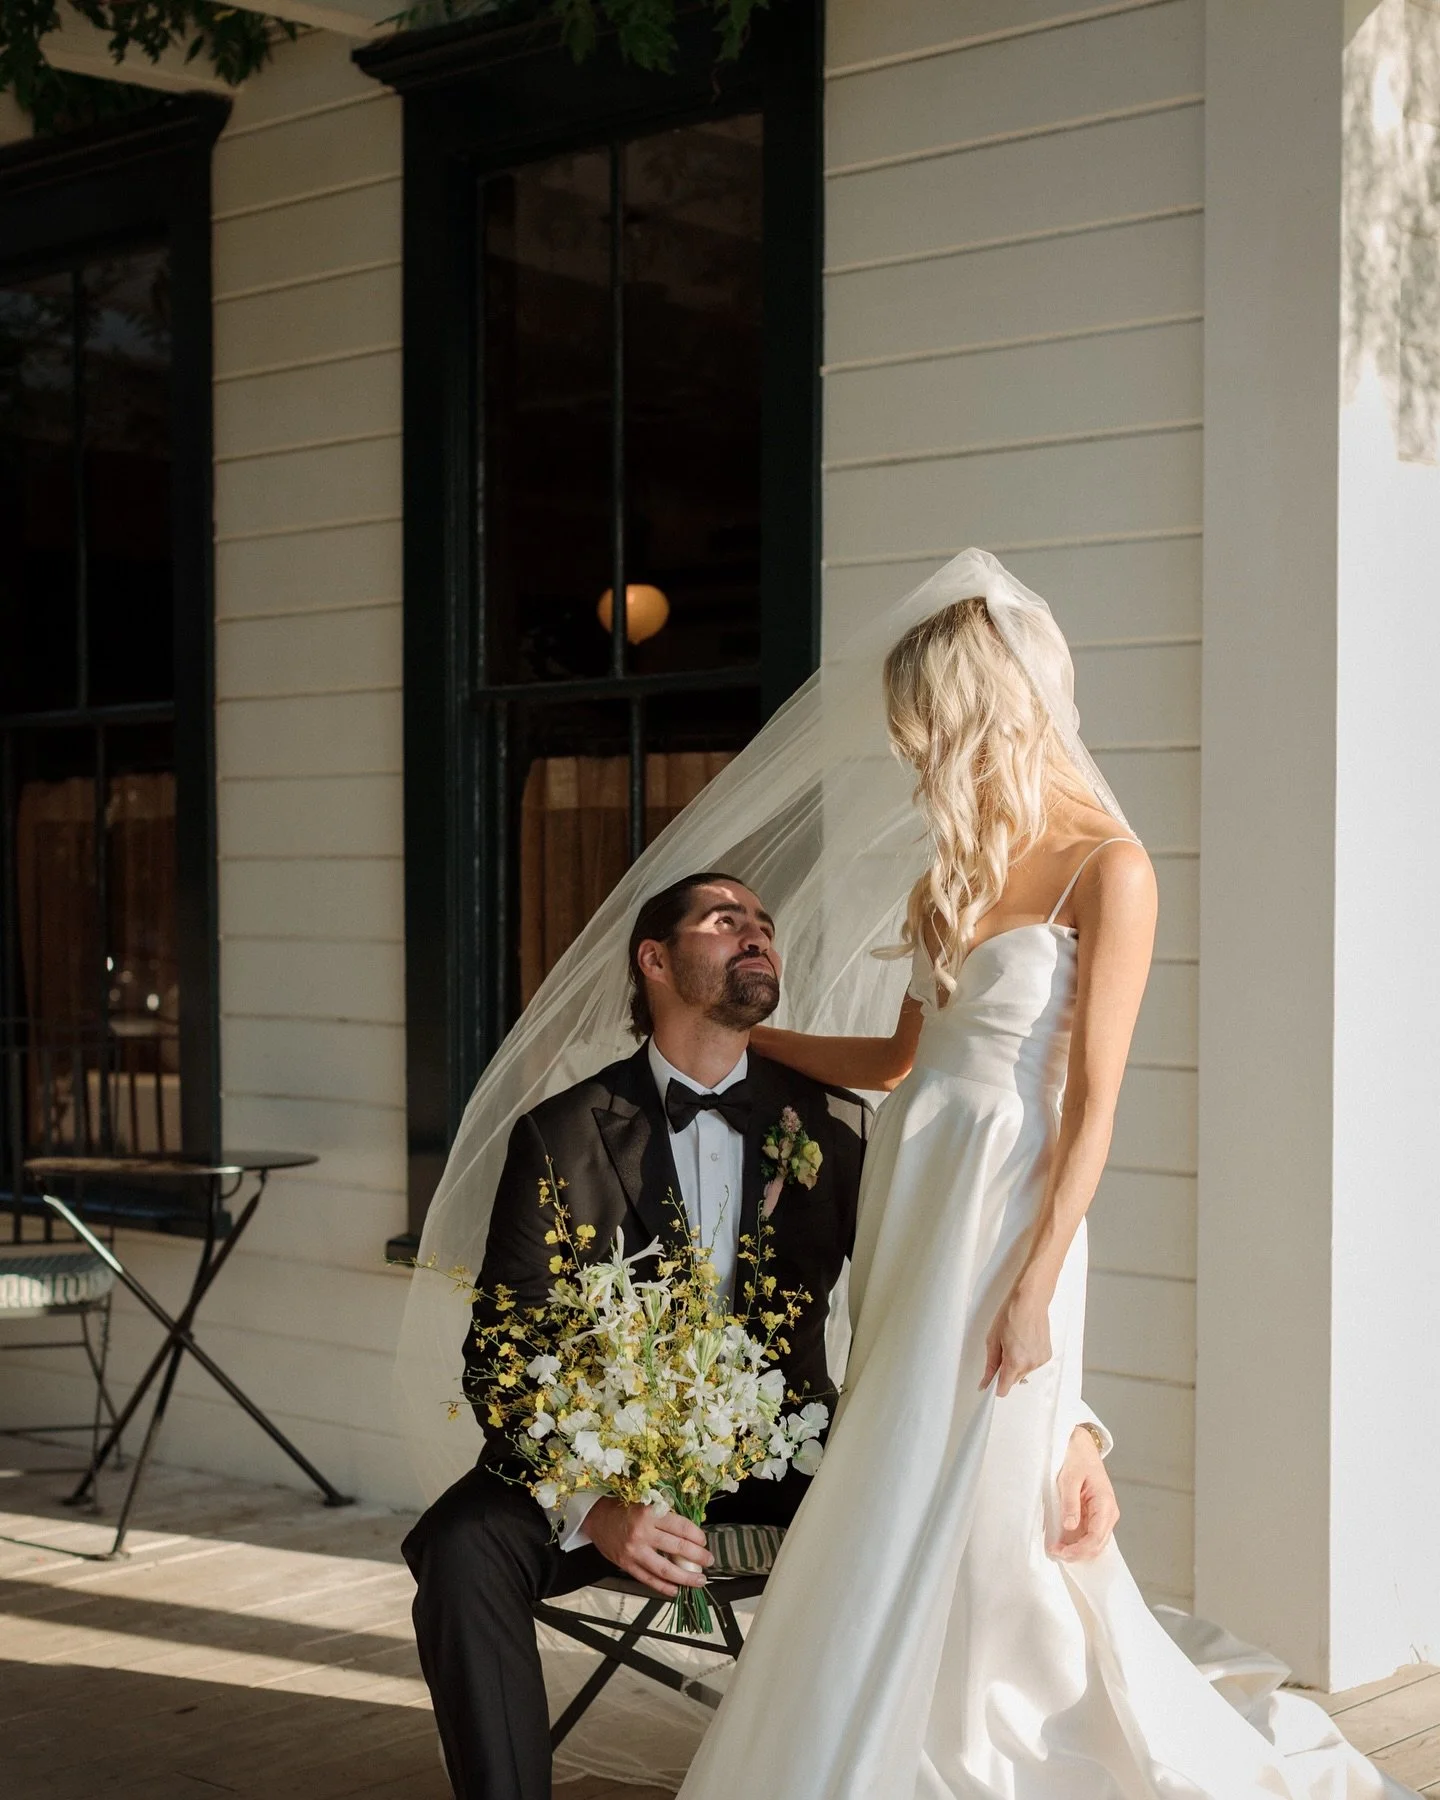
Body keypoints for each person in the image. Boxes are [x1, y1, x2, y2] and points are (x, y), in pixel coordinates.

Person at [671, 591, 1418, 1799]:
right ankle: (886, 1709)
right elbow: (897, 1065)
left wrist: (1034, 1288)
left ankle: (995, 1728)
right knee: (904, 1457)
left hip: (1015, 1208)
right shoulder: (951, 873)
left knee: (998, 1478)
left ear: (979, 713)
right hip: (919, 1195)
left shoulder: (1108, 869)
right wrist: (753, 1044)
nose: (913, 747)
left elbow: (1094, 1106)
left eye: (925, 720)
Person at [401, 869, 1123, 1800]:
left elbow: (964, 1282)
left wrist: (1069, 1426)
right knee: (464, 1546)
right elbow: (504, 1347)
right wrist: (599, 1505)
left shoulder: (836, 1125)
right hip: (609, 1464)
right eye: (723, 919)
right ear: (654, 960)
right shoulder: (564, 1133)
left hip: (791, 1465)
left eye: (765, 925)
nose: (756, 935)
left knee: (943, 1514)